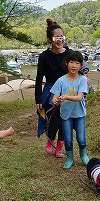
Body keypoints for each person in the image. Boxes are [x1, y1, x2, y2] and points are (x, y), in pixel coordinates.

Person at [35, 19, 69, 158]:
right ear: (50, 39)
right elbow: (38, 79)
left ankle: (59, 148)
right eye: (56, 37)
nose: (60, 40)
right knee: (54, 119)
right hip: (50, 91)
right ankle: (50, 140)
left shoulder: (69, 53)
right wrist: (38, 99)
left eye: (62, 37)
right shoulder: (44, 56)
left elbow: (78, 69)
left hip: (67, 91)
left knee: (65, 121)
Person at [51, 50, 90, 169]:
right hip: (66, 115)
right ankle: (70, 158)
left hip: (79, 114)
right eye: (71, 62)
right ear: (66, 63)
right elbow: (54, 97)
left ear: (81, 65)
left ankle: (83, 156)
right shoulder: (61, 80)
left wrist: (66, 97)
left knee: (81, 139)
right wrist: (56, 100)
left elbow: (79, 97)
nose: (74, 65)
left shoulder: (82, 80)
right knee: (67, 140)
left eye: (77, 63)